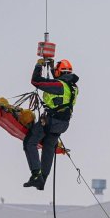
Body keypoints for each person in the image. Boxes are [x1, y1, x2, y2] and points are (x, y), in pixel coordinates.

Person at [23, 58, 79, 190]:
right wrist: (53, 68)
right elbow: (58, 86)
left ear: (60, 73)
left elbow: (36, 81)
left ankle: (36, 175)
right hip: (62, 124)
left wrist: (39, 65)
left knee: (29, 142)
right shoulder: (73, 88)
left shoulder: (59, 86)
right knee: (48, 148)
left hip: (50, 121)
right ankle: (42, 180)